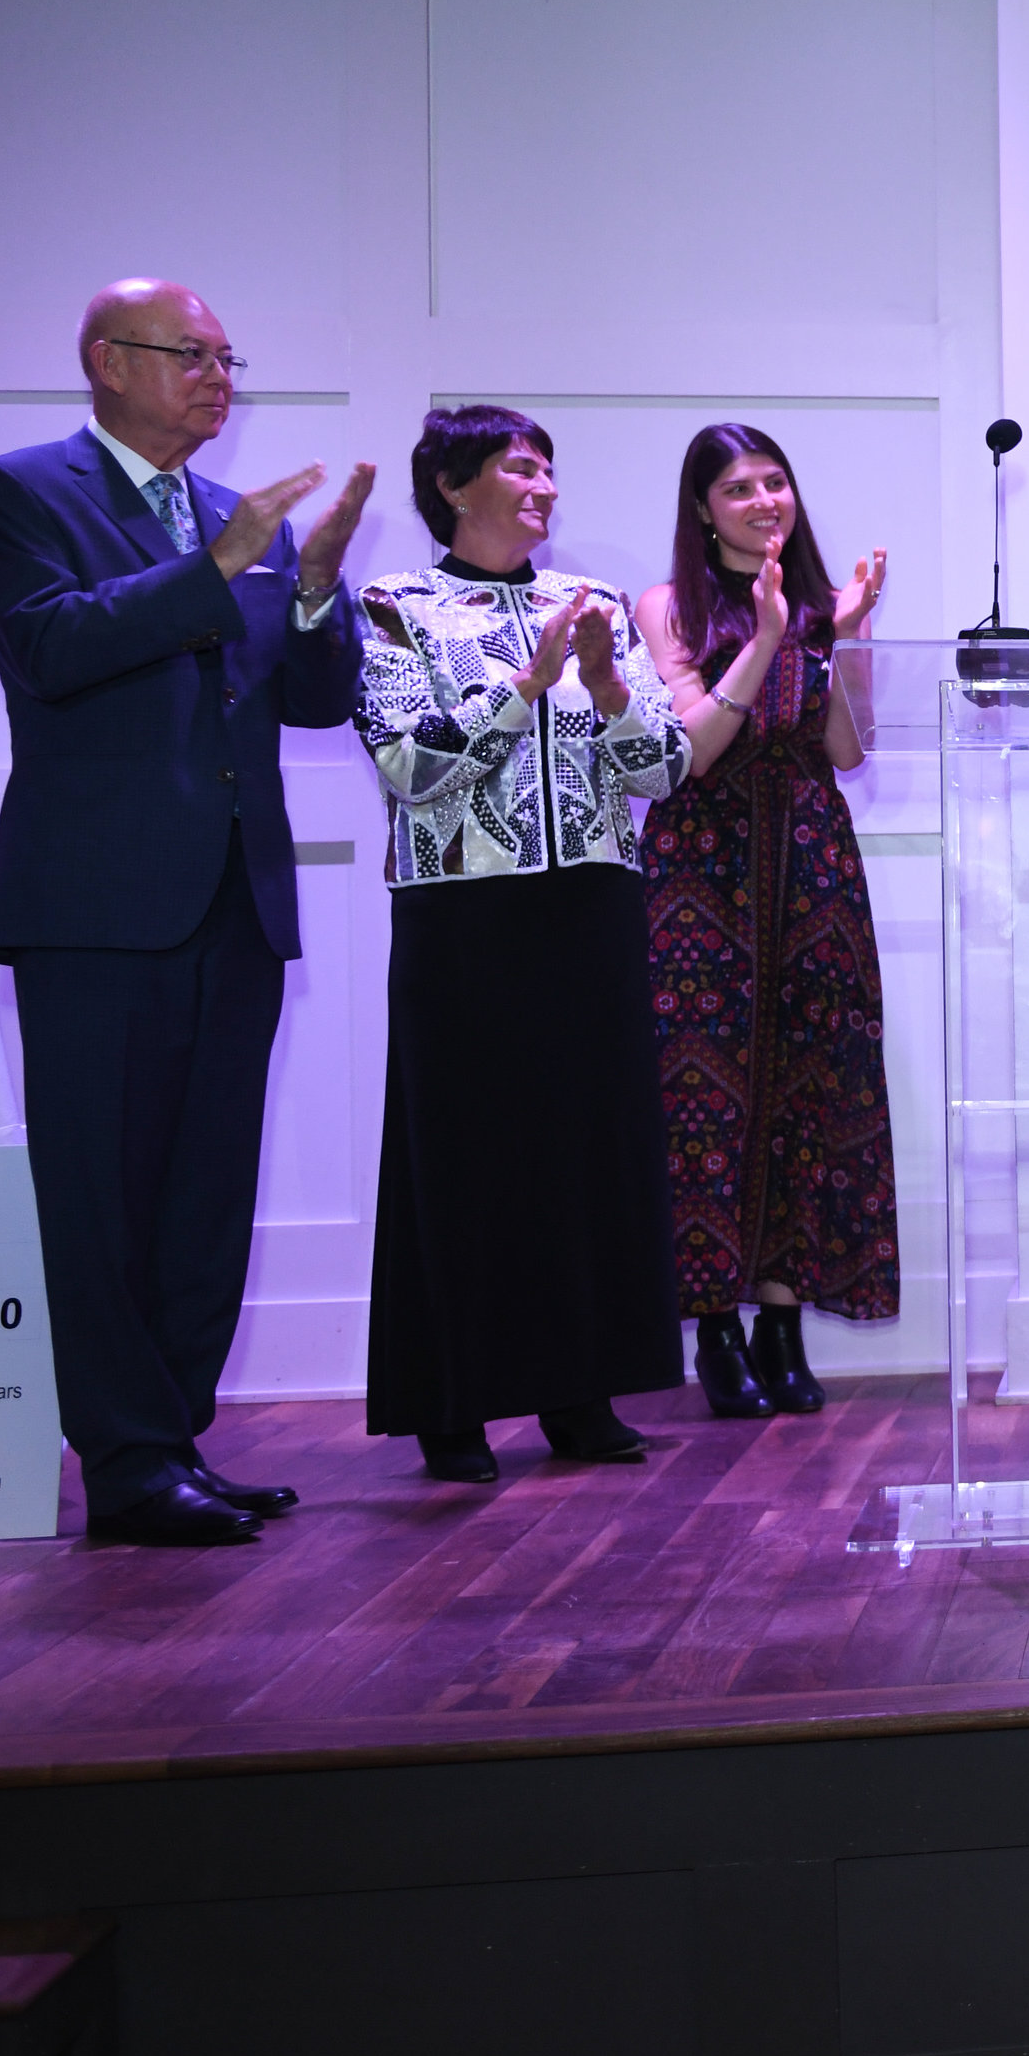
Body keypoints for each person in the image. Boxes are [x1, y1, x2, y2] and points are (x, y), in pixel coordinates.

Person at [0, 279, 373, 1547]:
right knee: (100, 1193)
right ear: (104, 361)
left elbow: (308, 700)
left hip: (234, 900)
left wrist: (308, 588)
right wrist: (228, 562)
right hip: (96, 907)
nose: (216, 375)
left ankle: (173, 1440)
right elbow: (51, 647)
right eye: (188, 354)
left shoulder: (225, 518)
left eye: (225, 355)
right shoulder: (17, 492)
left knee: (203, 1190)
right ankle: (126, 1457)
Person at [351, 408, 693, 1484]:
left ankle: (576, 1389)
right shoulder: (396, 606)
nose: (542, 486)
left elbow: (665, 769)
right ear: (454, 485)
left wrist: (600, 684)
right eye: (518, 467)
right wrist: (524, 686)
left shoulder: (589, 608)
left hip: (589, 902)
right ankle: (449, 1400)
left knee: (583, 1151)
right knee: (461, 1152)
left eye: (550, 468)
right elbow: (409, 767)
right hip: (465, 911)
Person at [636, 424, 896, 1425]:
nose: (761, 501)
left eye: (774, 482)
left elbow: (847, 748)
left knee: (809, 1092)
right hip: (701, 873)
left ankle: (785, 1325)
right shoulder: (668, 605)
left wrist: (851, 634)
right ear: (703, 507)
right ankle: (717, 1333)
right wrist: (768, 639)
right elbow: (695, 751)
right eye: (737, 488)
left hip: (811, 864)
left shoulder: (824, 607)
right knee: (704, 1099)